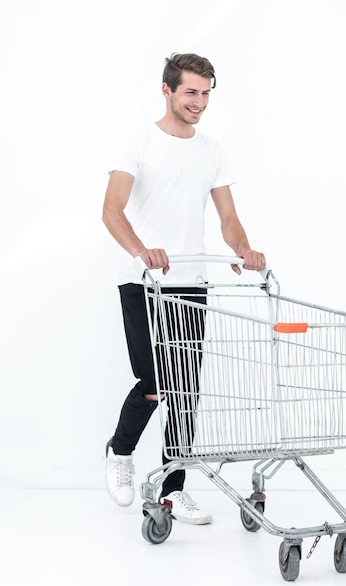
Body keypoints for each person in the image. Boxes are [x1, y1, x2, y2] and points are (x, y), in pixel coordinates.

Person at [102, 53, 266, 524]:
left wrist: (245, 250)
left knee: (185, 391)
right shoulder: (137, 139)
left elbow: (229, 219)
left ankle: (174, 487)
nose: (200, 101)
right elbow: (112, 210)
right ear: (167, 90)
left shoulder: (212, 150)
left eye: (207, 92)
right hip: (144, 281)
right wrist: (141, 250)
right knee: (156, 382)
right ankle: (119, 450)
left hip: (192, 283)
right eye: (191, 91)